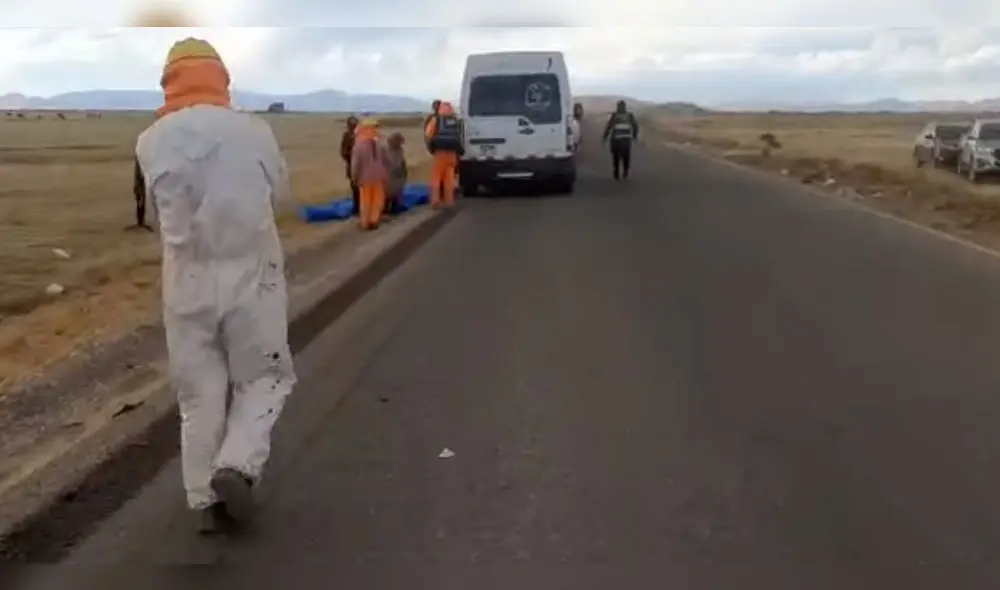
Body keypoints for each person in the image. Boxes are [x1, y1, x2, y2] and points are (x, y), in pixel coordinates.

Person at [135, 37, 296, 534]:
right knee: (266, 376)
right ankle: (238, 465)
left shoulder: (149, 140)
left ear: (169, 81)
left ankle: (203, 498)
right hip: (252, 272)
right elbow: (284, 194)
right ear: (221, 77)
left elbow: (161, 215)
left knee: (199, 393)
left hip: (184, 277)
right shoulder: (254, 131)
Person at [350, 117, 388, 230]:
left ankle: (365, 222)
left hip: (364, 177)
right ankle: (374, 220)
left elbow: (355, 164)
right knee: (377, 200)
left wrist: (354, 177)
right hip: (379, 177)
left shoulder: (359, 145)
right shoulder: (380, 143)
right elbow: (385, 161)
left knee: (365, 201)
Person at [424, 101, 463, 208]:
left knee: (436, 177)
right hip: (452, 154)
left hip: (439, 153)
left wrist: (431, 147)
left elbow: (428, 134)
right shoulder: (455, 121)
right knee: (449, 178)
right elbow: (460, 136)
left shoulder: (435, 120)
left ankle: (435, 201)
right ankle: (449, 201)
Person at [601, 99, 640, 180]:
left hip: (617, 139)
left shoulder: (615, 115)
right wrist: (634, 135)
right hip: (625, 139)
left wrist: (605, 137)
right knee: (625, 156)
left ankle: (617, 171)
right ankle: (624, 171)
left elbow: (609, 127)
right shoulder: (629, 115)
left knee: (617, 156)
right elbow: (635, 126)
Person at [340, 115, 361, 216]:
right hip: (352, 165)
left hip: (363, 166)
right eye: (351, 125)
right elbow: (343, 151)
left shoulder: (362, 135)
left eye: (355, 124)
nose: (353, 126)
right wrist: (351, 157)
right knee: (355, 188)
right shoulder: (346, 136)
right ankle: (357, 208)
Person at [384, 131, 408, 218]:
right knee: (387, 194)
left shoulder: (400, 151)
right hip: (390, 176)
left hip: (397, 176)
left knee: (395, 194)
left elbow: (402, 163)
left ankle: (393, 209)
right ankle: (386, 210)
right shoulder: (386, 151)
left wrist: (404, 174)